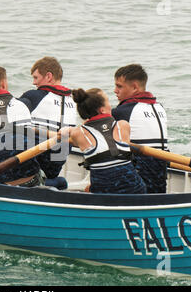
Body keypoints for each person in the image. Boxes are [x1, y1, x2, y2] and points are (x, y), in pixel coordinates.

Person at [61, 88, 146, 194]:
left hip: (103, 193)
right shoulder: (123, 125)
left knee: (88, 189)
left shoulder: (78, 134)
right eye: (108, 102)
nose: (111, 105)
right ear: (102, 110)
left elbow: (70, 133)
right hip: (134, 190)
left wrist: (69, 130)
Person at [19, 57, 77, 188]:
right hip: (54, 169)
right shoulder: (72, 101)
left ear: (49, 76)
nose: (34, 83)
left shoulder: (34, 96)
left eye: (36, 78)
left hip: (36, 164)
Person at [112, 64, 168, 193]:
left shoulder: (123, 111)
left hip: (139, 182)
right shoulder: (160, 108)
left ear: (134, 87)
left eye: (119, 86)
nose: (115, 90)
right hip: (160, 180)